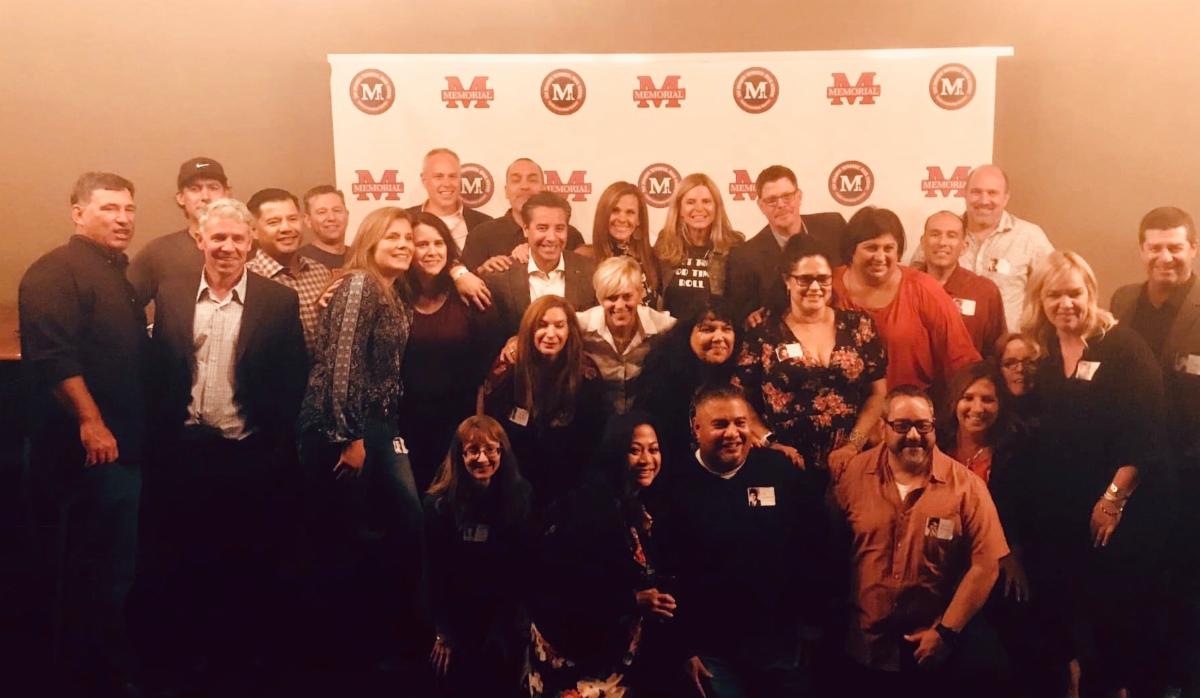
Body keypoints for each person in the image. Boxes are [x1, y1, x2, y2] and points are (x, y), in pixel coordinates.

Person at [147, 197, 308, 679]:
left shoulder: (278, 300)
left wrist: (273, 443)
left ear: (251, 242)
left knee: (249, 561)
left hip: (248, 452)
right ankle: (193, 657)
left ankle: (242, 661)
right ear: (201, 239)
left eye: (238, 238)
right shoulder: (172, 293)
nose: (227, 247)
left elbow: (293, 375)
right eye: (218, 237)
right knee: (188, 559)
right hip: (186, 451)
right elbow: (160, 370)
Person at [19, 171, 146, 694]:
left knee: (113, 570)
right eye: (109, 208)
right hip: (87, 453)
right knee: (86, 573)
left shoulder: (115, 273)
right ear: (78, 213)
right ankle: (85, 680)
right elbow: (54, 357)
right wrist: (91, 423)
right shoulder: (55, 270)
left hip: (123, 449)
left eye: (128, 208)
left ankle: (103, 671)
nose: (123, 218)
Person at [1021, 250, 1169, 696]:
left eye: (1074, 292)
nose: (1065, 303)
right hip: (1058, 510)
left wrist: (1112, 500)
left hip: (1111, 509)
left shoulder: (1122, 347)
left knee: (1108, 618)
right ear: (1040, 299)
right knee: (1062, 617)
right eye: (1054, 295)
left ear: (1091, 292)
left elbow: (1146, 434)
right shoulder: (1044, 348)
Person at [297, 206, 424, 668]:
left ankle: (380, 641)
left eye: (408, 237)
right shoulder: (359, 285)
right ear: (370, 241)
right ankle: (350, 654)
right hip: (346, 428)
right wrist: (349, 437)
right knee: (352, 538)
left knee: (397, 528)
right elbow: (342, 364)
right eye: (392, 237)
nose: (404, 245)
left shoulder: (393, 291)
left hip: (381, 426)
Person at [831, 385, 1008, 697]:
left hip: (931, 652)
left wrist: (946, 632)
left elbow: (987, 564)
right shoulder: (853, 475)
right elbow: (829, 550)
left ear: (933, 427)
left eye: (923, 426)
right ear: (883, 428)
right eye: (901, 426)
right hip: (862, 648)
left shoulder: (967, 487)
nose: (913, 435)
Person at [656, 385, 823, 697]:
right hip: (711, 651)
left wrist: (812, 623)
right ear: (696, 428)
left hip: (780, 643)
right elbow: (664, 571)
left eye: (740, 423)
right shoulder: (672, 482)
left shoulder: (778, 470)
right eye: (720, 424)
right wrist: (683, 648)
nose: (732, 433)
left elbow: (811, 547)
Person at [1109, 206, 1200, 694]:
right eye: (1156, 247)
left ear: (1193, 250)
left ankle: (1179, 681)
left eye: (1176, 247)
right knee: (1134, 580)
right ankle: (1136, 677)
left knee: (1184, 584)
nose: (1166, 257)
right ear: (1142, 250)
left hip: (1190, 474)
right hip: (1131, 468)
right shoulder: (1122, 300)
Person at [526, 413, 675, 696]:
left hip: (612, 660)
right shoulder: (589, 509)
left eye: (654, 449)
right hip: (575, 660)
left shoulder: (634, 506)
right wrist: (634, 600)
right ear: (615, 452)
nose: (647, 459)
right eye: (635, 450)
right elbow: (565, 590)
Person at [937, 362, 1050, 694]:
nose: (977, 408)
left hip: (994, 560)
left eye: (988, 399)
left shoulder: (1015, 451)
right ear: (954, 402)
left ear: (1000, 405)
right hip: (940, 557)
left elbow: (1025, 512)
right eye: (968, 397)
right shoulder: (936, 445)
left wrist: (1012, 552)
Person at [736, 234, 887, 473]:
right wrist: (770, 442)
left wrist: (853, 446)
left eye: (823, 279)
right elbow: (740, 398)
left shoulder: (858, 325)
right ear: (787, 280)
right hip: (786, 463)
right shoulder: (763, 333)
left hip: (854, 462)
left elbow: (877, 393)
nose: (815, 288)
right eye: (805, 279)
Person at [424, 416, 532, 697]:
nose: (482, 458)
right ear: (460, 456)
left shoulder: (520, 496)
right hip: (458, 616)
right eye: (473, 450)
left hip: (503, 615)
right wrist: (443, 632)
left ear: (501, 452)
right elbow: (434, 572)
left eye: (490, 450)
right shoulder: (439, 505)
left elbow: (521, 566)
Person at [831, 206, 979, 398]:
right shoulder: (827, 286)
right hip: (842, 409)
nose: (880, 257)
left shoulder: (924, 288)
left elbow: (961, 358)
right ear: (851, 250)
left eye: (888, 248)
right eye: (871, 248)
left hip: (909, 411)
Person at [479, 295, 604, 513]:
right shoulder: (507, 368)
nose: (551, 334)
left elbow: (592, 438)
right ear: (529, 329)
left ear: (570, 330)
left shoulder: (587, 373)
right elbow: (491, 428)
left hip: (568, 487)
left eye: (559, 325)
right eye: (542, 325)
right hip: (514, 481)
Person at [402, 213, 494, 491]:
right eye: (422, 244)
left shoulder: (469, 294)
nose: (432, 251)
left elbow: (487, 363)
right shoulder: (393, 294)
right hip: (405, 422)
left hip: (458, 421)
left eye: (438, 243)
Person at [910, 165, 1053, 331]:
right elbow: (911, 284)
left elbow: (1055, 288)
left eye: (992, 193)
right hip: (943, 341)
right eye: (976, 192)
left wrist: (1033, 337)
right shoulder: (944, 234)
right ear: (964, 194)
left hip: (1006, 344)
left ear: (1006, 198)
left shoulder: (1029, 237)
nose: (984, 200)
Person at [726, 164, 847, 320]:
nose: (781, 205)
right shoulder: (744, 258)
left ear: (799, 197)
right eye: (772, 200)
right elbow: (742, 317)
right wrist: (750, 319)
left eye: (787, 197)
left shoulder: (834, 227)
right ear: (761, 206)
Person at [634, 297, 741, 464]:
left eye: (726, 329)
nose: (719, 337)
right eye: (708, 329)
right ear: (687, 334)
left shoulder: (738, 375)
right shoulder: (662, 375)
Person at [481, 191, 596, 341]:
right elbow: (487, 340)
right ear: (526, 229)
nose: (551, 237)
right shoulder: (498, 278)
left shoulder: (590, 273)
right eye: (542, 228)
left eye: (559, 228)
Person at [576, 255, 676, 414]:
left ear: (641, 294)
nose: (620, 305)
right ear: (599, 298)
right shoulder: (581, 326)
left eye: (627, 296)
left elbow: (692, 333)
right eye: (611, 298)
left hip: (644, 415)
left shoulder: (662, 326)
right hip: (596, 416)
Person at [129, 156, 230, 307]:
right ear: (181, 198)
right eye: (195, 189)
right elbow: (124, 306)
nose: (205, 197)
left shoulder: (246, 250)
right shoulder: (158, 252)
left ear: (227, 194)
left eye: (213, 187)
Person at [460, 158, 586, 273]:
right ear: (506, 191)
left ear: (544, 188)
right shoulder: (481, 235)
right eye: (516, 180)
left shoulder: (570, 235)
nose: (524, 186)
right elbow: (465, 282)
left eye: (532, 180)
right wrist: (483, 271)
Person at [245, 187, 331, 352]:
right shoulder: (246, 279)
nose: (286, 228)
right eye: (274, 222)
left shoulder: (321, 272)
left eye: (292, 219)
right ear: (253, 231)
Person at [653, 173, 745, 321]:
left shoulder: (733, 245)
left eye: (706, 201)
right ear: (679, 209)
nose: (699, 208)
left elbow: (741, 302)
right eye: (690, 202)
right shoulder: (665, 243)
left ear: (716, 208)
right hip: (672, 332)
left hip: (715, 332)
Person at [914, 211, 1006, 357]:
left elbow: (996, 353)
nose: (942, 242)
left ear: (964, 246)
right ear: (923, 242)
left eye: (951, 236)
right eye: (935, 234)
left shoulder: (985, 292)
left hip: (968, 371)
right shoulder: (905, 287)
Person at [406, 147, 494, 255]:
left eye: (452, 176)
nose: (447, 184)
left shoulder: (485, 223)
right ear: (424, 180)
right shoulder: (405, 220)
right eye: (438, 176)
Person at [589, 181, 662, 307]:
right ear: (603, 215)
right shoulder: (586, 259)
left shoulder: (652, 258)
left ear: (639, 219)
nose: (622, 219)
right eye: (615, 211)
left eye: (630, 212)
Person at [299, 184, 349, 269]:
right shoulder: (298, 262)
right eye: (322, 212)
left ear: (347, 215)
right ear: (308, 220)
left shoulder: (362, 257)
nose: (332, 218)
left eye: (337, 210)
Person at [994, 332, 1038, 422]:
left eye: (1027, 362)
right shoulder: (992, 415)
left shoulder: (1050, 407)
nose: (1020, 369)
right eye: (1010, 363)